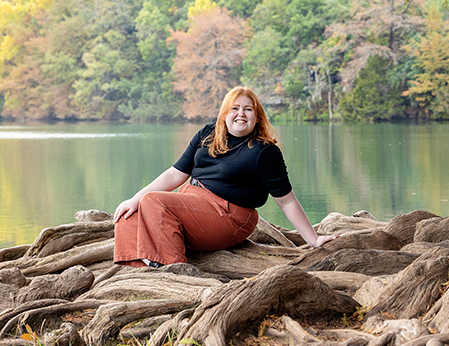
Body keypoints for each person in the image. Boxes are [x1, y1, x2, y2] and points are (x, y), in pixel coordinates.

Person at [113, 86, 338, 268]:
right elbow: (175, 173)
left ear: (257, 117)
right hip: (193, 206)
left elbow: (286, 200)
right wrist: (134, 198)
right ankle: (144, 270)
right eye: (235, 108)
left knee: (154, 201)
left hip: (229, 217)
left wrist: (313, 239)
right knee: (128, 214)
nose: (241, 114)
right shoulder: (207, 134)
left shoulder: (264, 152)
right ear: (225, 114)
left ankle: (175, 271)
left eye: (248, 109)